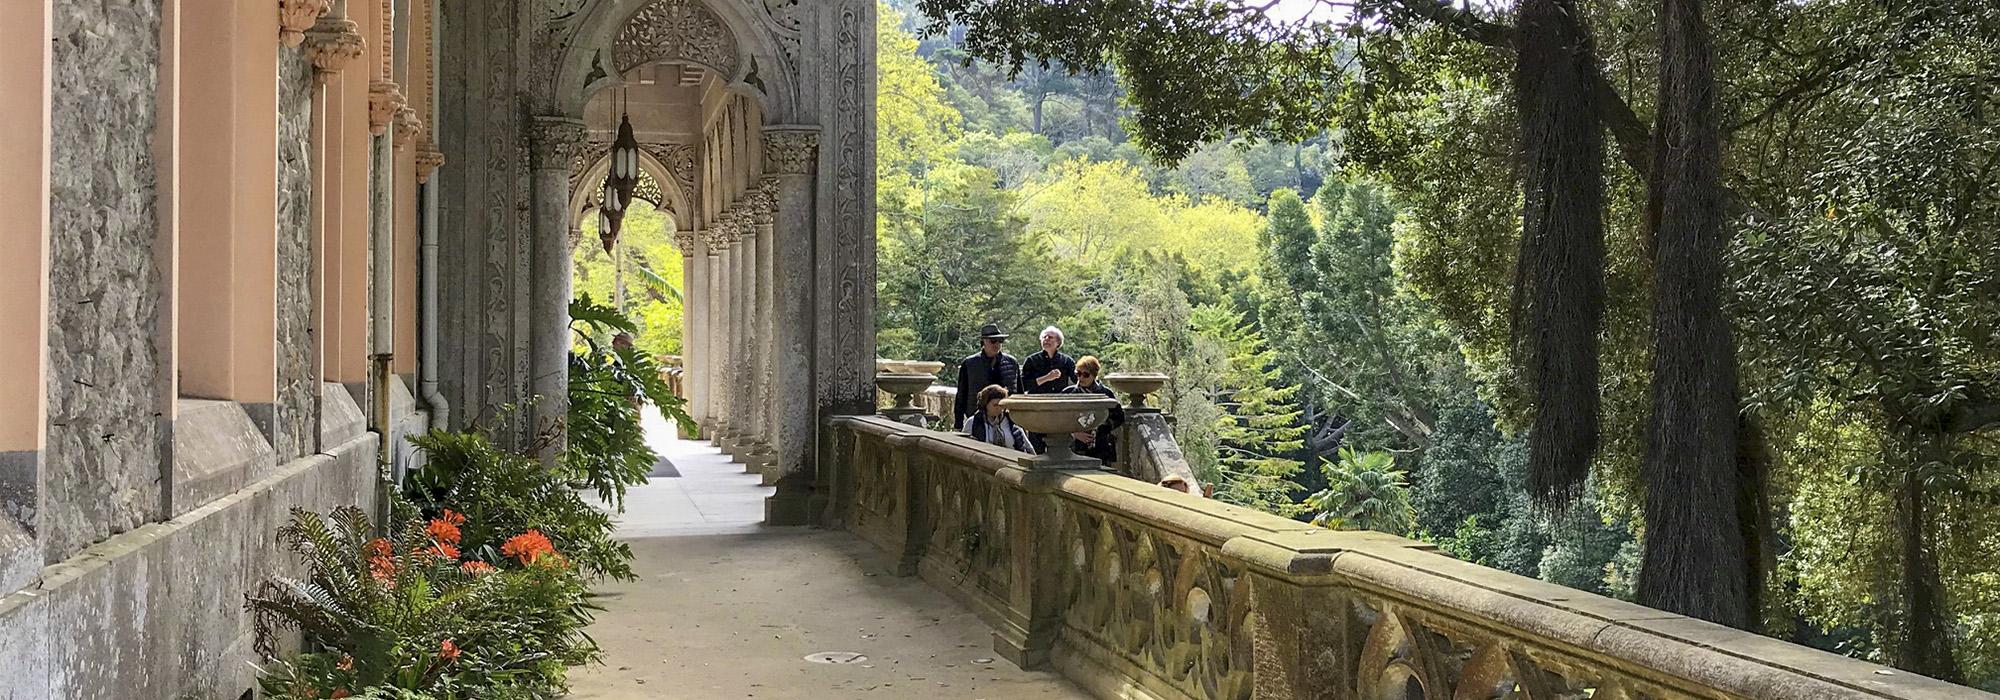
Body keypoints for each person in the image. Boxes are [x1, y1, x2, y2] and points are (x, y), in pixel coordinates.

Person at [1019, 326, 1077, 453]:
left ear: (1058, 342)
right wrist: (1046, 378)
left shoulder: (1067, 361)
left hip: (1059, 410)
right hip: (1037, 410)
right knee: (1036, 447)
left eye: (1050, 337)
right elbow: (1023, 385)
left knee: (1059, 447)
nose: (1046, 339)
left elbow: (1078, 382)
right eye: (1044, 337)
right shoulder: (1032, 360)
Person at [1061, 355, 1123, 463]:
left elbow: (1119, 417)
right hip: (1073, 447)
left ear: (1094, 375)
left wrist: (1098, 426)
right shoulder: (1068, 393)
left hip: (1101, 448)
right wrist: (1073, 433)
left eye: (1085, 375)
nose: (1080, 378)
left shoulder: (1106, 393)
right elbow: (1058, 418)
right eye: (1078, 374)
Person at [953, 323, 1019, 424]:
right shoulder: (970, 364)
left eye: (1000, 341)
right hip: (978, 418)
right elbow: (961, 395)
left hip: (1006, 418)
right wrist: (958, 422)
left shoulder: (1012, 362)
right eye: (993, 341)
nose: (997, 344)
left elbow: (1019, 393)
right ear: (984, 342)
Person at [963, 384, 1033, 454]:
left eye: (1001, 405)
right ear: (985, 404)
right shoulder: (973, 422)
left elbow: (1028, 448)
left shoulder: (1012, 422)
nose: (998, 408)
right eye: (995, 405)